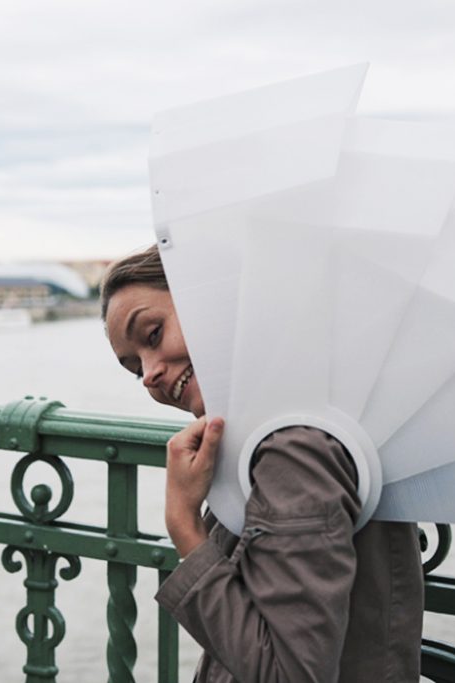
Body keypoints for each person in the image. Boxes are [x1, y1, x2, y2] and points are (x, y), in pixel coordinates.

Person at [101, 245, 424, 683]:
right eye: (134, 367)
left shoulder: (293, 447)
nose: (150, 374)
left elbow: (288, 674)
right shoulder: (299, 412)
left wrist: (184, 524)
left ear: (208, 301)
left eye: (153, 334)